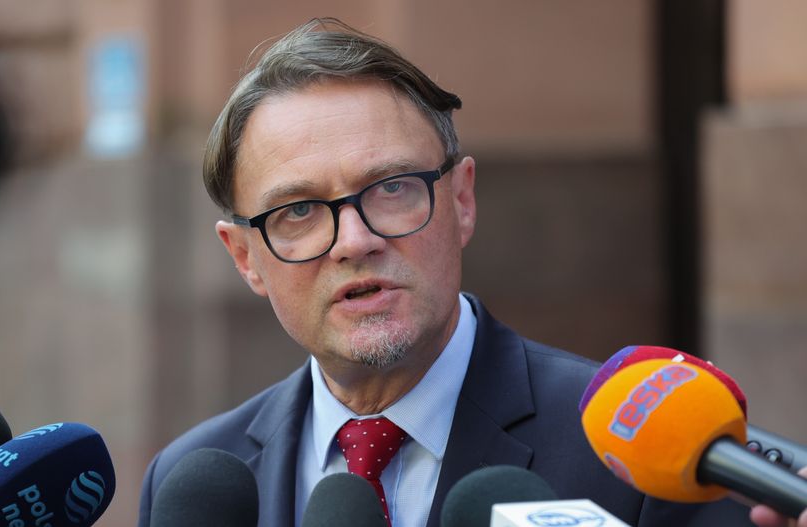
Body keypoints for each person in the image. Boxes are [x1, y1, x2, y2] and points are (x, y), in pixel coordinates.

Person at [139, 18, 777, 527]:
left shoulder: (641, 456)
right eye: (299, 210)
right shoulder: (187, 486)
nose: (354, 241)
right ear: (245, 257)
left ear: (463, 200)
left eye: (391, 188)